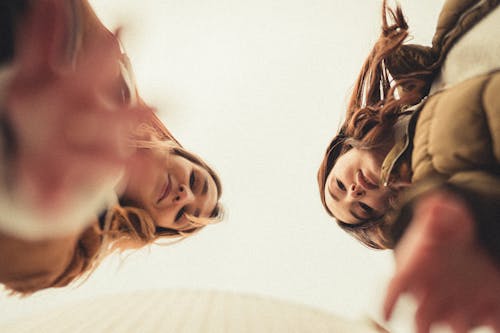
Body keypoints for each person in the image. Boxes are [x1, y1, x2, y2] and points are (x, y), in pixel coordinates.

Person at [0, 0, 223, 294]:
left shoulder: (84, 244)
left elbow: (32, 270)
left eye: (183, 214)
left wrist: (45, 205)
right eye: (195, 181)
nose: (184, 195)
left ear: (160, 227)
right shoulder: (120, 80)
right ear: (175, 149)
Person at [317, 0, 500, 331]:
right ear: (383, 211)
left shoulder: (420, 77)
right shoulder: (443, 179)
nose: (355, 192)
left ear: (343, 150)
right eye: (360, 208)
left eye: (339, 186)